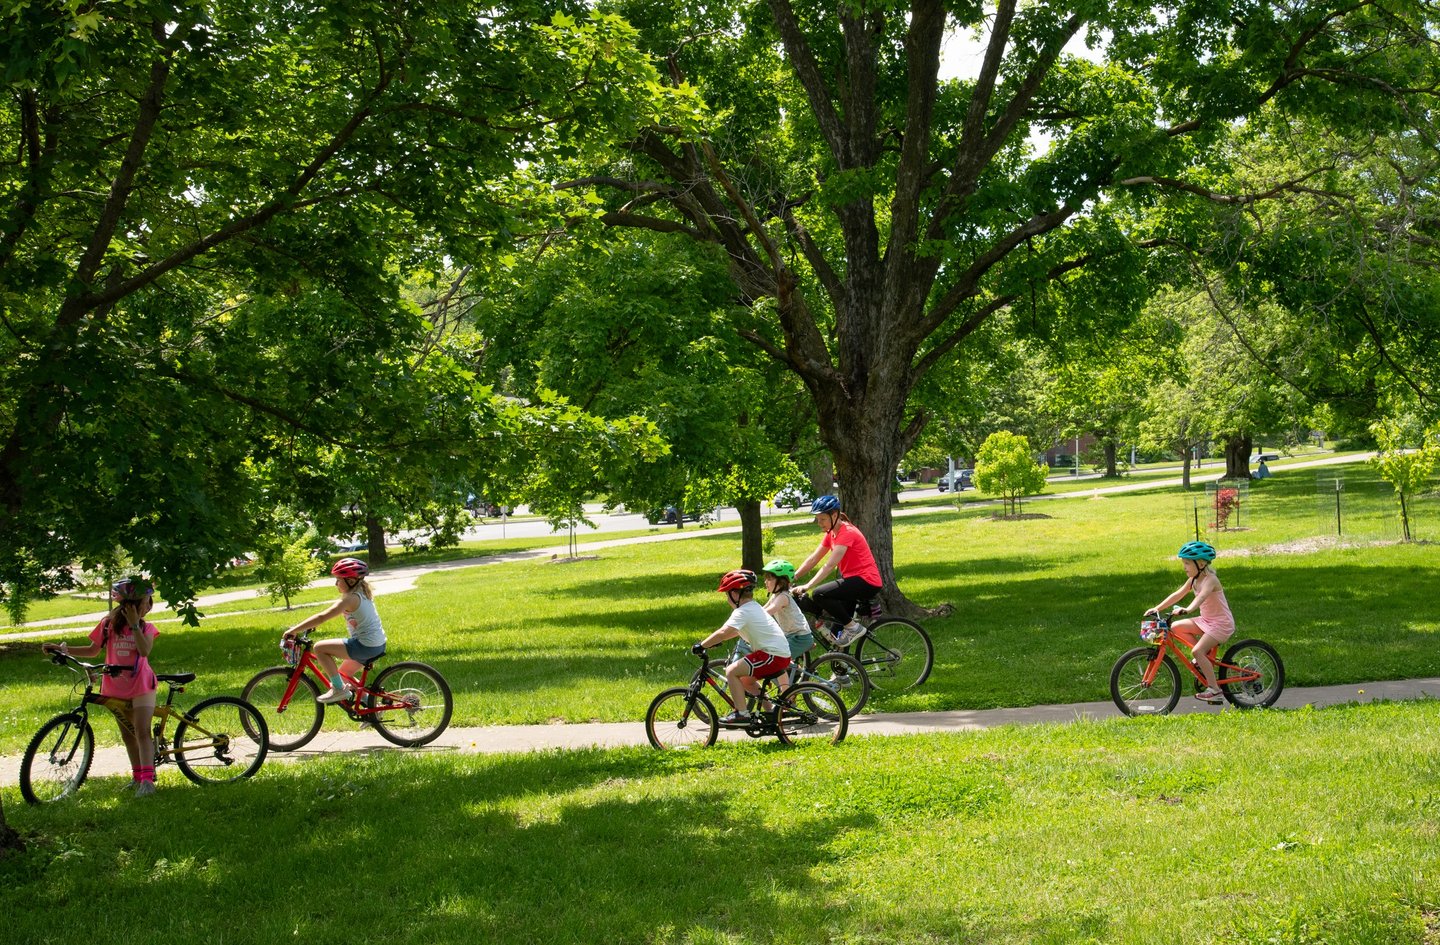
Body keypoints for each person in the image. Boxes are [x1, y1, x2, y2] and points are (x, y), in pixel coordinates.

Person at [42, 577, 161, 796]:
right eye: (146, 601)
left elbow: (144, 651)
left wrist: (134, 625)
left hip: (141, 684)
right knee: (128, 735)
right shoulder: (108, 624)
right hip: (115, 685)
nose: (149, 606)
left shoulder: (147, 627)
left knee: (142, 732)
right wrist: (64, 650)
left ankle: (147, 781)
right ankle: (137, 777)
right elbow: (92, 650)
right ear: (131, 604)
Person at [282, 557, 387, 704]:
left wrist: (294, 629)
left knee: (319, 648)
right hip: (376, 644)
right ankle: (370, 704)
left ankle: (338, 690)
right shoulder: (361, 592)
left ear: (350, 581)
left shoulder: (349, 599)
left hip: (365, 645)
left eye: (339, 579)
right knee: (342, 674)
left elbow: (322, 616)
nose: (336, 583)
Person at [695, 569, 792, 725]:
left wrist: (701, 645)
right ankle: (771, 713)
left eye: (727, 595)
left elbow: (724, 631)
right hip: (777, 654)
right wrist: (716, 641)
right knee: (746, 680)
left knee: (731, 671)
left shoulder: (742, 611)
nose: (727, 599)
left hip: (771, 655)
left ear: (735, 594)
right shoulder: (754, 607)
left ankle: (742, 714)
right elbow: (734, 631)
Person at [1148, 541, 1235, 703]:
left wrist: (1187, 609)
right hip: (1206, 621)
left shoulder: (1211, 580)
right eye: (1184, 563)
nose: (1184, 567)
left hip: (1221, 624)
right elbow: (1177, 594)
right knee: (1175, 627)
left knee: (1197, 652)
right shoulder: (1194, 579)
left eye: (1187, 563)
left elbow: (1201, 597)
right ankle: (1205, 659)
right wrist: (1157, 608)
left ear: (1201, 563)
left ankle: (1215, 691)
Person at [794, 495, 883, 645]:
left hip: (866, 581)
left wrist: (808, 586)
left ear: (834, 515)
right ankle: (844, 664)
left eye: (822, 519)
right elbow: (813, 559)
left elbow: (829, 565)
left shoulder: (847, 532)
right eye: (818, 519)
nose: (819, 523)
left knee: (819, 594)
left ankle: (853, 627)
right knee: (835, 637)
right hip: (853, 581)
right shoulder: (832, 533)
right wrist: (792, 577)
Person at [759, 559, 815, 685]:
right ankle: (794, 674)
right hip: (791, 636)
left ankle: (789, 691)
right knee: (769, 655)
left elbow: (770, 611)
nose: (765, 581)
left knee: (772, 662)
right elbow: (763, 610)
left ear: (781, 581)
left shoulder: (783, 597)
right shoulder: (776, 596)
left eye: (769, 578)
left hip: (799, 638)